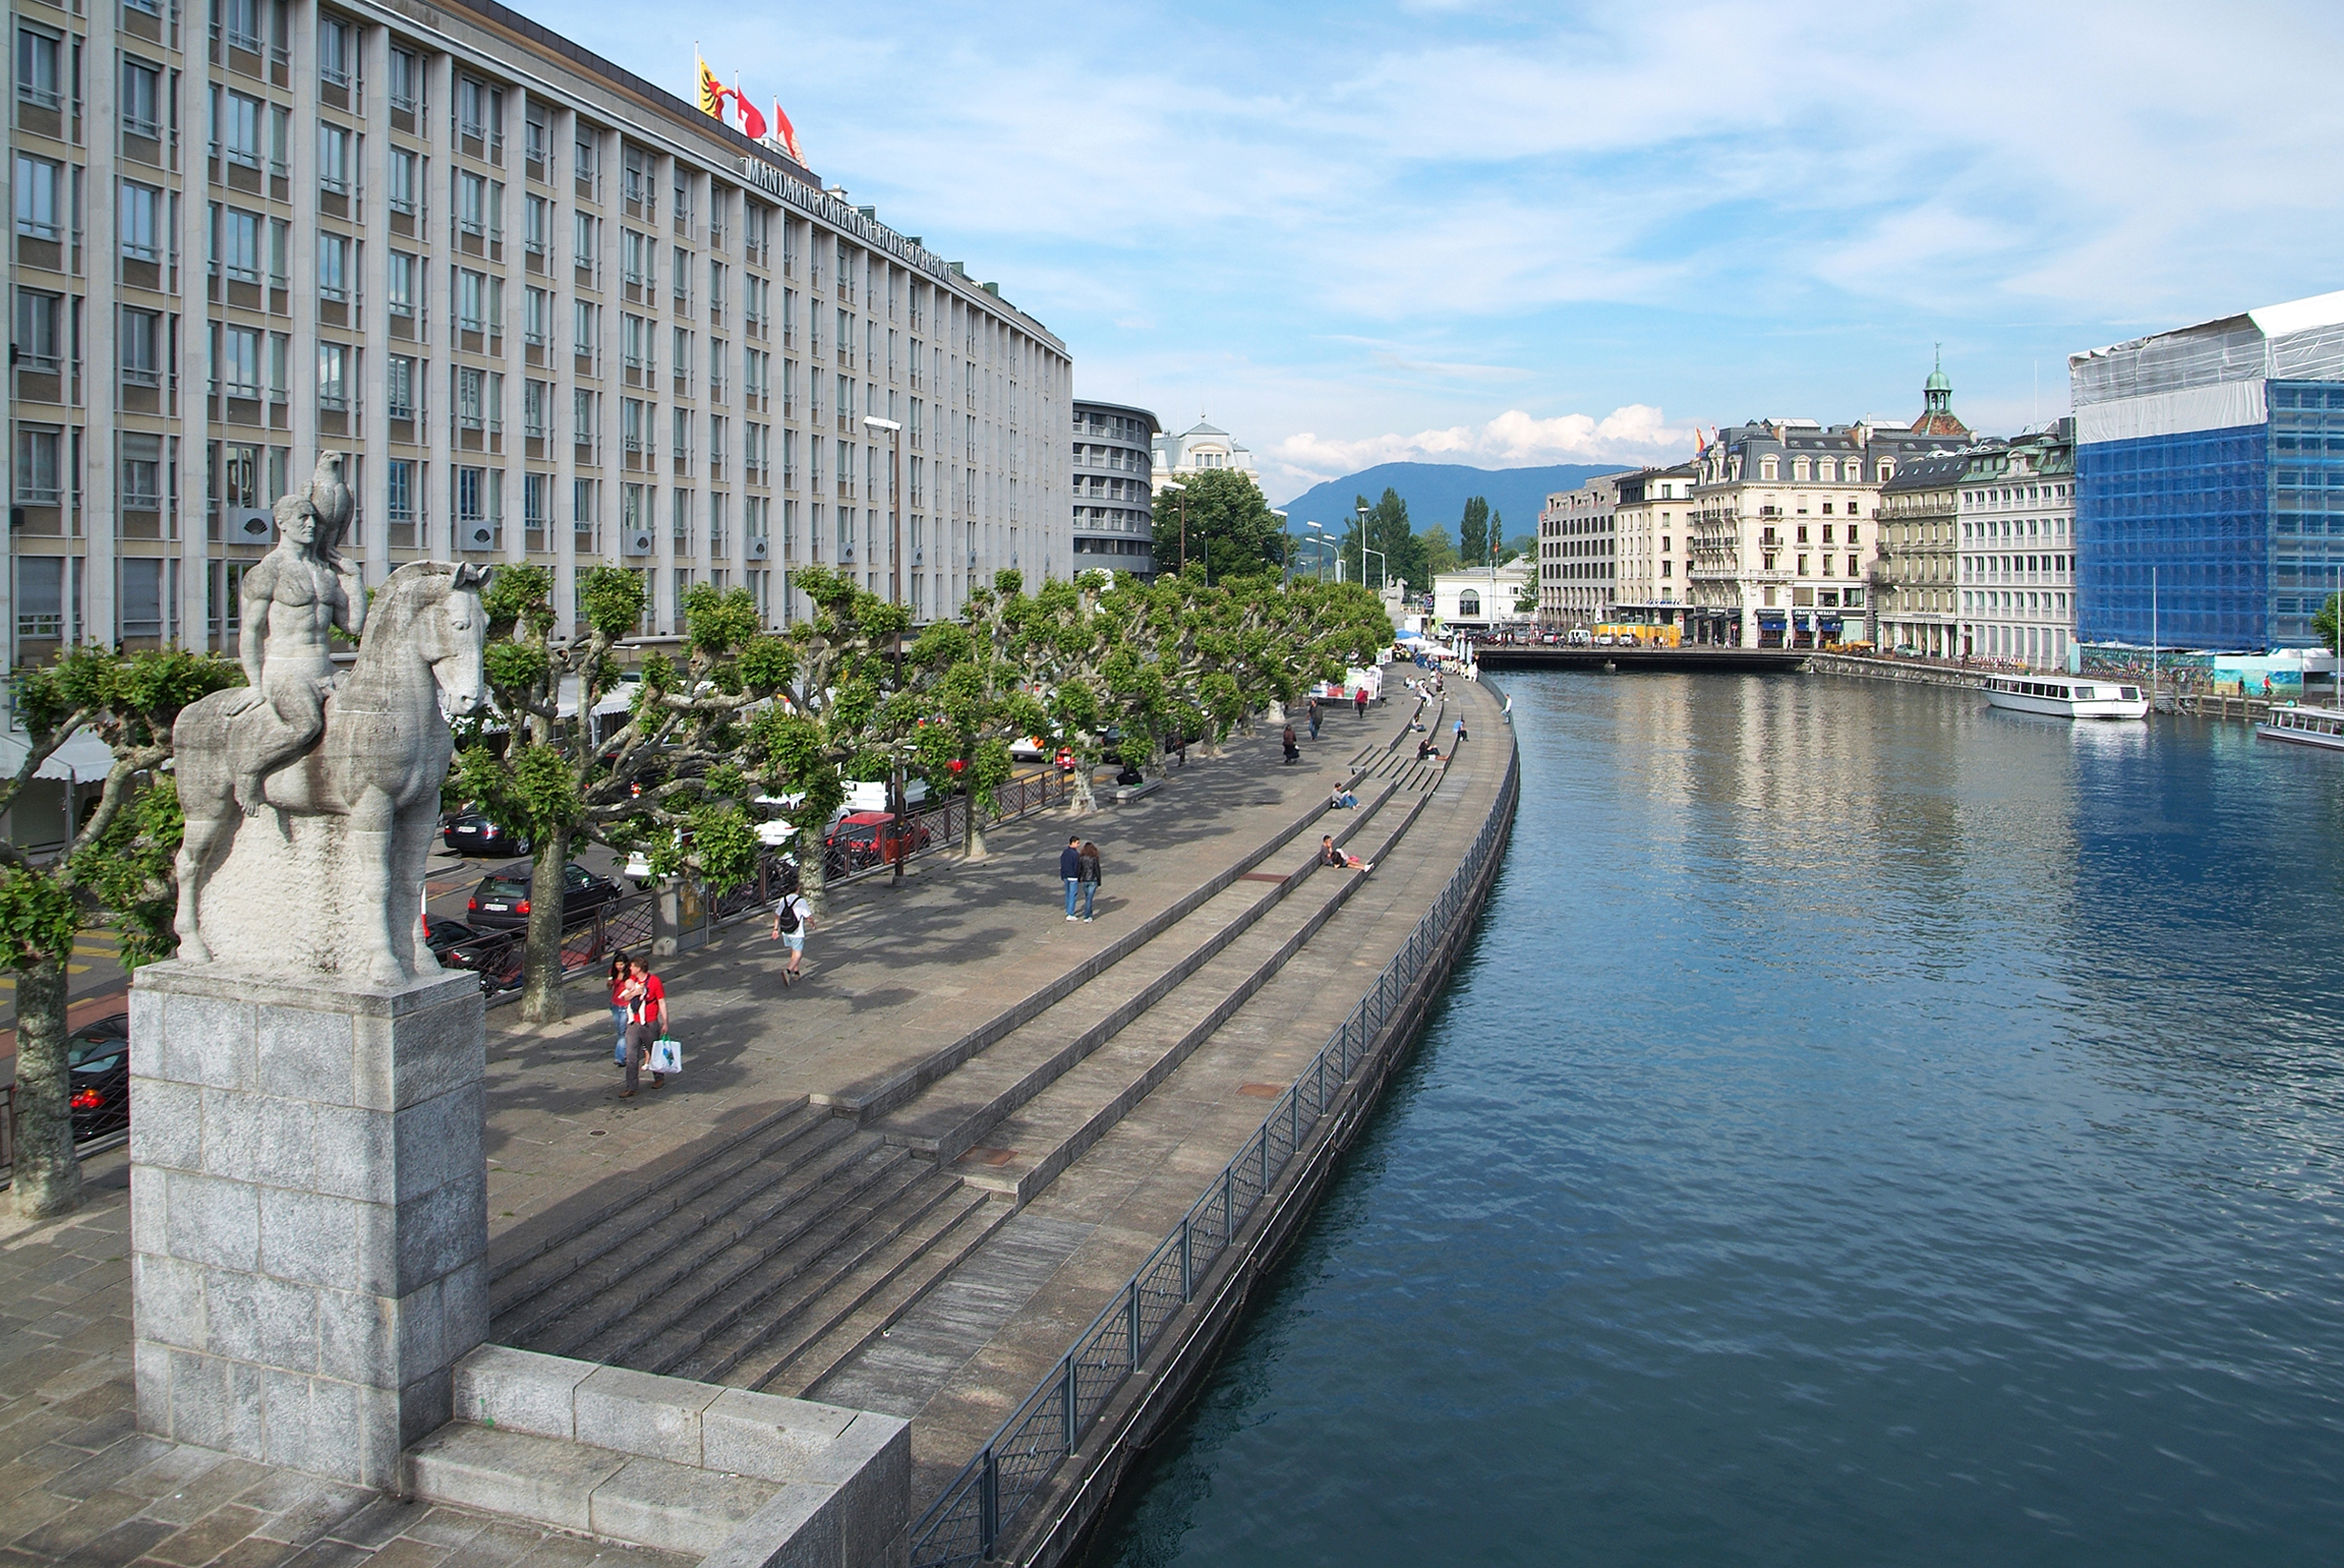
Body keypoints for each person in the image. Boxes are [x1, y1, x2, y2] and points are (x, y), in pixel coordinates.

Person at [619, 957, 668, 1096]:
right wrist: (633, 993)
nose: (630, 969)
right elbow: (623, 998)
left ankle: (659, 1077)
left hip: (650, 1022)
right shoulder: (631, 981)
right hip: (633, 1023)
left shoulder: (654, 982)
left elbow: (661, 1002)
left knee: (654, 1051)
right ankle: (631, 1087)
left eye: (632, 967)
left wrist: (665, 1022)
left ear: (639, 968)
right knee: (631, 1055)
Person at [769, 885, 813, 986]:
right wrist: (812, 923)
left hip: (786, 930)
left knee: (793, 952)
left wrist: (775, 929)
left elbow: (777, 915)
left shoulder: (783, 900)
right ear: (798, 888)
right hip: (797, 932)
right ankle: (788, 971)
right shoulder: (801, 901)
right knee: (798, 955)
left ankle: (796, 973)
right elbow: (808, 916)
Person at [607, 954, 633, 1068]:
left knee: (622, 1032)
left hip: (626, 1005)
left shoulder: (630, 974)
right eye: (617, 964)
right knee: (620, 1031)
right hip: (615, 1004)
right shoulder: (612, 971)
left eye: (621, 964)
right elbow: (609, 987)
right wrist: (610, 981)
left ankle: (620, 1057)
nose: (619, 967)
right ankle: (625, 1051)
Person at [1077, 840, 1101, 921]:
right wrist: (1099, 880)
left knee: (1087, 897)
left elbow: (1079, 869)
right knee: (1089, 899)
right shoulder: (1094, 858)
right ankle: (1087, 915)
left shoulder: (1081, 858)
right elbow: (1097, 870)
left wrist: (1079, 878)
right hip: (1092, 880)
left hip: (1084, 880)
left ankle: (1087, 914)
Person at [1061, 834, 1083, 920]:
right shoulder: (1075, 855)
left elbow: (1062, 864)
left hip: (1066, 876)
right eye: (1077, 843)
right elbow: (1077, 867)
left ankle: (1068, 910)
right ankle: (1070, 913)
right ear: (1073, 843)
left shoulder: (1065, 852)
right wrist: (1079, 876)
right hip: (1073, 877)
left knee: (1068, 894)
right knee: (1073, 895)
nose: (1078, 845)